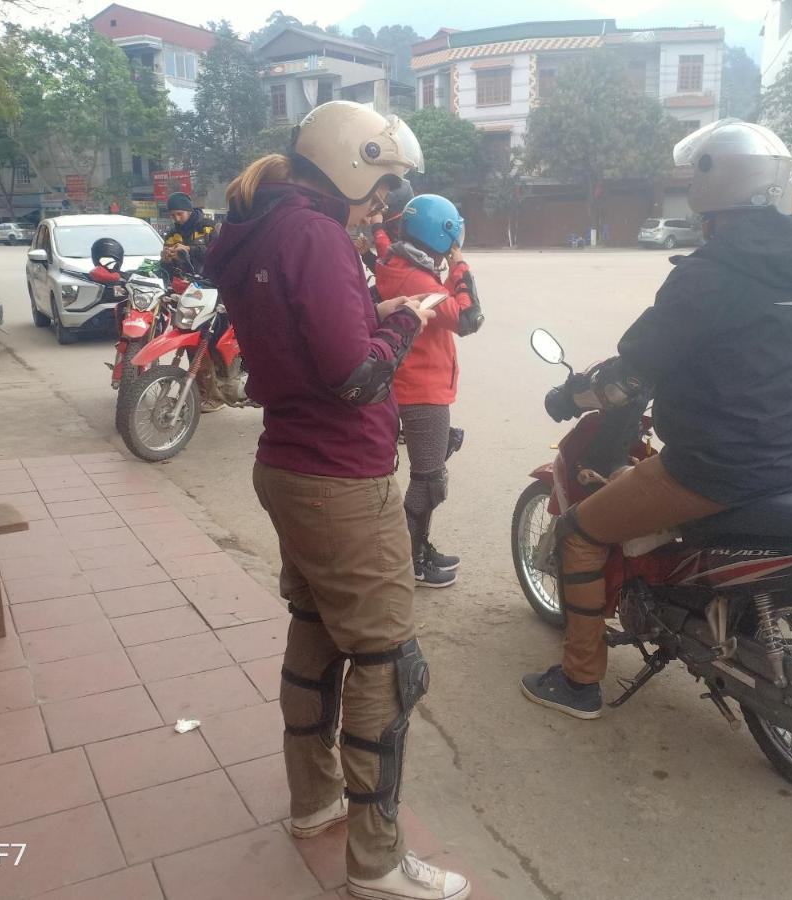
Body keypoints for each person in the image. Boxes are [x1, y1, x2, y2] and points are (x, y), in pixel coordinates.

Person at [202, 100, 470, 900]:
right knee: (389, 663)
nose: (383, 204)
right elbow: (357, 378)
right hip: (338, 479)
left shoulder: (269, 227)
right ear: (352, 163)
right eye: (382, 185)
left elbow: (310, 337)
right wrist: (408, 325)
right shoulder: (316, 234)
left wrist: (377, 311)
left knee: (316, 633)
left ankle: (314, 802)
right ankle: (379, 862)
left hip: (289, 462)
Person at [520, 119, 792, 720]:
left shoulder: (708, 274)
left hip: (712, 468)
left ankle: (579, 680)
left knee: (580, 534)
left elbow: (629, 378)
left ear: (714, 186)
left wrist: (573, 399)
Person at [370, 193, 484, 588]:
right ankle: (409, 561)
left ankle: (415, 549)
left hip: (410, 383)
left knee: (426, 475)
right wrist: (459, 264)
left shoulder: (394, 261)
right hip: (423, 391)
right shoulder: (419, 279)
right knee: (430, 480)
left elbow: (382, 239)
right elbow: (469, 318)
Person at [162, 192, 215, 277]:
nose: (177, 219)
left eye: (180, 214)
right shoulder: (171, 235)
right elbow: (166, 272)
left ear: (189, 211)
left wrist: (189, 250)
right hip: (181, 284)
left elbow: (217, 255)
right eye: (173, 215)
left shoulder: (208, 228)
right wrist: (166, 261)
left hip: (208, 284)